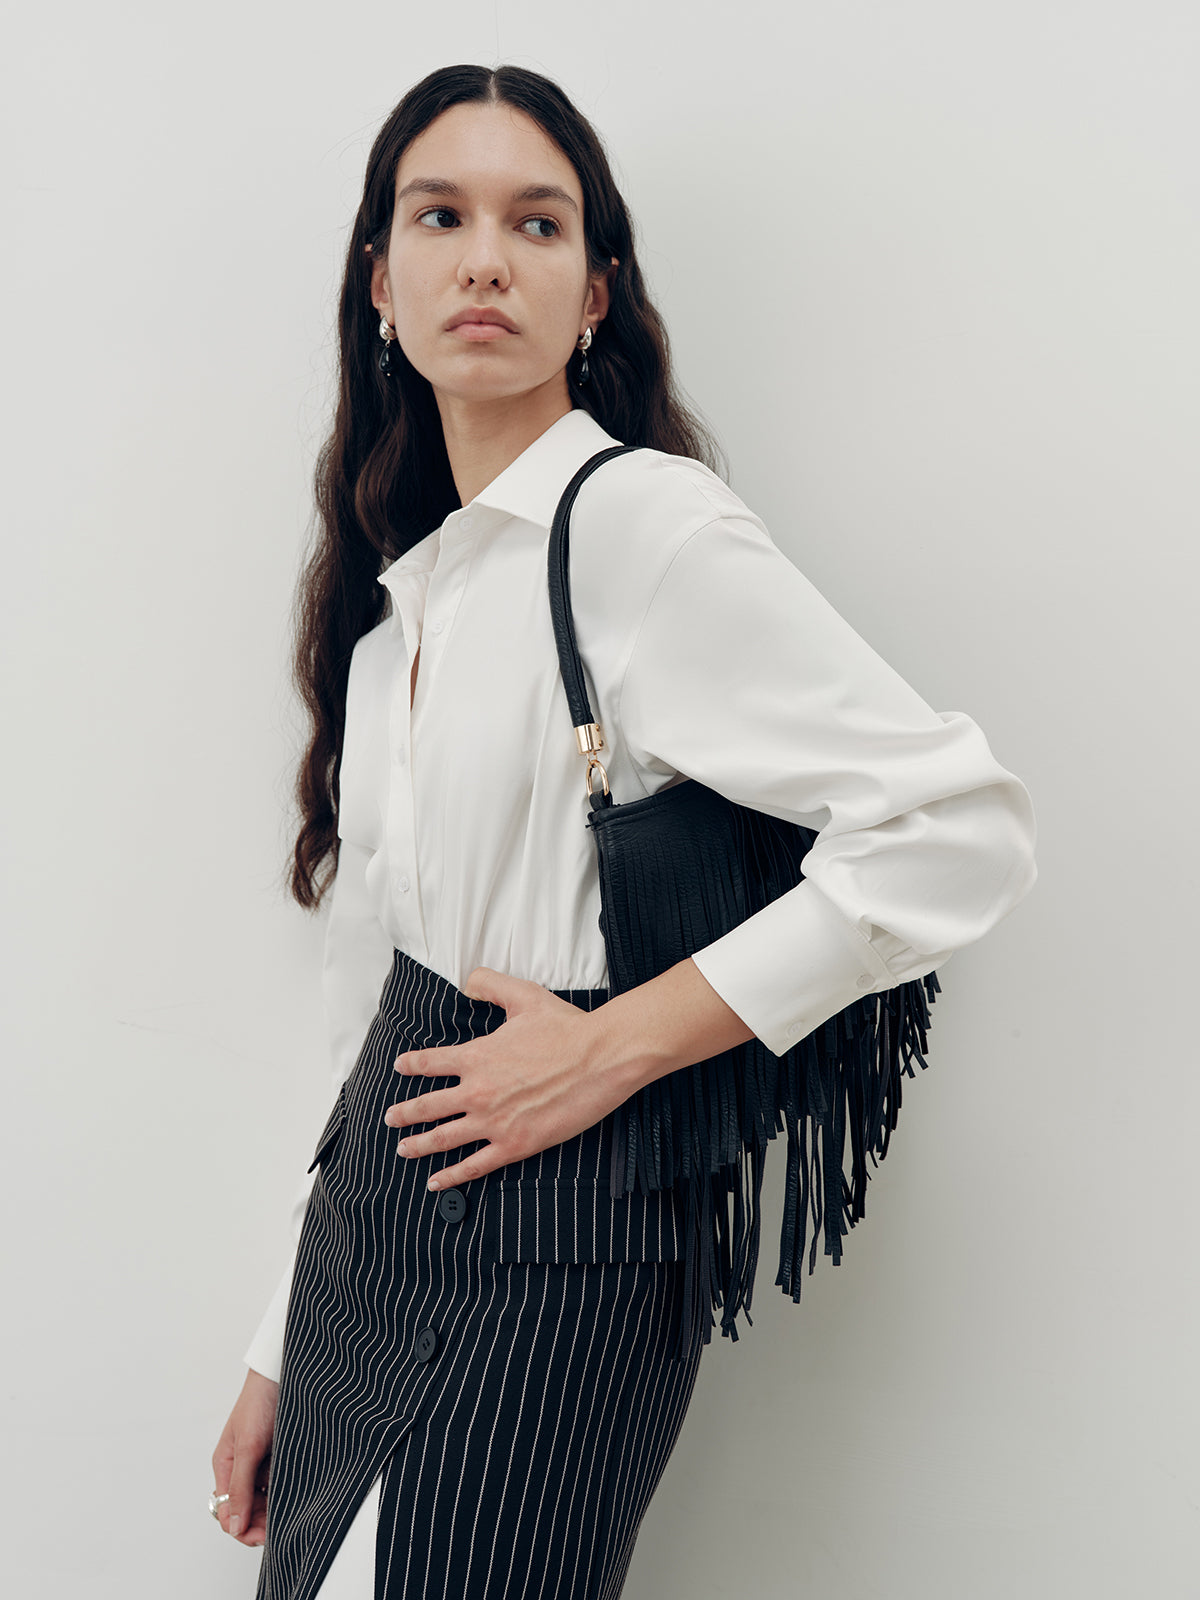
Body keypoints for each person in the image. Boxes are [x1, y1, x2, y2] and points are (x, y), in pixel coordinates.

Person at [210, 62, 1038, 1600]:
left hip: (564, 1252)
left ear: (593, 294)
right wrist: (279, 1339)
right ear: (379, 283)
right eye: (441, 217)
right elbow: (367, 1016)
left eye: (536, 223)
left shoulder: (643, 530)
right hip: (364, 1248)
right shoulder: (406, 603)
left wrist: (613, 1047)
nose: (484, 259)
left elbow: (955, 828)